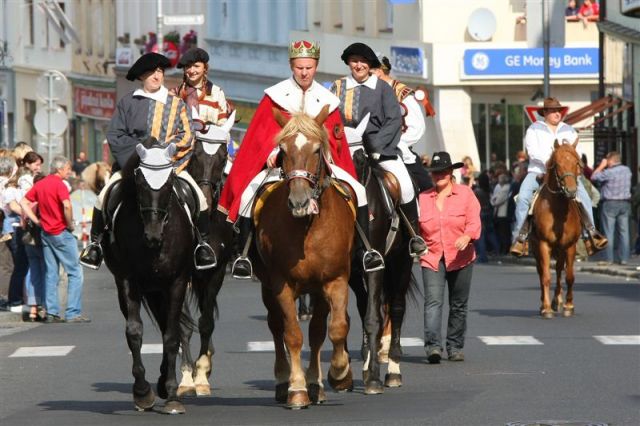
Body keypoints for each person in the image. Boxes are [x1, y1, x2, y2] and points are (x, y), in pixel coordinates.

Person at [218, 40, 381, 278]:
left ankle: (365, 250)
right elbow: (260, 139)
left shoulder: (327, 99)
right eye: (299, 67)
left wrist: (322, 155)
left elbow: (337, 143)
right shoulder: (275, 96)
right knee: (246, 196)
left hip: (319, 165)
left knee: (359, 189)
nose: (304, 72)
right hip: (281, 167)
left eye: (309, 67)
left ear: (315, 67)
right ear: (291, 66)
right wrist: (273, 154)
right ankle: (244, 256)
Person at [79, 52, 217, 271]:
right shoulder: (128, 102)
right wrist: (140, 155)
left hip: (168, 166)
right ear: (142, 76)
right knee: (104, 195)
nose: (157, 76)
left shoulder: (176, 104)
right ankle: (95, 245)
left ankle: (203, 245)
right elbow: (116, 135)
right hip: (135, 167)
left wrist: (164, 153)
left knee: (199, 198)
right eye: (152, 72)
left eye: (160, 72)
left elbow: (188, 134)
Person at [331, 42, 428, 258]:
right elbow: (329, 119)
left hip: (378, 150)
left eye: (363, 62)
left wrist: (376, 146)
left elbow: (393, 120)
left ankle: (414, 236)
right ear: (348, 63)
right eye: (354, 61)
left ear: (370, 65)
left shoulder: (383, 88)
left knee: (405, 185)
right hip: (344, 151)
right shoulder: (337, 87)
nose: (358, 65)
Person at [510, 97, 607, 256]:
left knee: (585, 198)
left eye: (559, 110)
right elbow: (533, 152)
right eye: (554, 111)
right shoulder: (534, 129)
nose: (557, 113)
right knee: (523, 198)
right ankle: (520, 240)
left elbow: (576, 152)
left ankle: (591, 235)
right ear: (545, 113)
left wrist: (570, 165)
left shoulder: (569, 129)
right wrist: (551, 164)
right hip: (538, 171)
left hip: (565, 174)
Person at [419, 151, 481, 363]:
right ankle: (433, 347)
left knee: (458, 304)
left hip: (461, 257)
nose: (439, 175)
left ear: (451, 172)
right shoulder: (423, 198)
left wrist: (467, 236)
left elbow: (474, 222)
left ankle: (454, 346)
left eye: (443, 171)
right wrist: (416, 246)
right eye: (435, 172)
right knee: (433, 302)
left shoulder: (465, 195)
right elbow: (415, 230)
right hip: (432, 257)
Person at [20, 156, 89, 323]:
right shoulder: (60, 185)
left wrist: (36, 221)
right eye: (67, 168)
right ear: (59, 169)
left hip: (45, 233)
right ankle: (72, 312)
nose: (69, 171)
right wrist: (70, 224)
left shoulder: (41, 184)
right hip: (60, 232)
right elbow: (67, 205)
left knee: (51, 273)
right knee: (75, 272)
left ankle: (51, 312)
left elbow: (23, 202)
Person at [371, 56, 432, 192]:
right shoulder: (368, 92)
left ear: (379, 71)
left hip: (398, 151)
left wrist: (393, 143)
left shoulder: (403, 94)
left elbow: (417, 128)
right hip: (370, 150)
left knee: (426, 190)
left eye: (370, 72)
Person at [171, 47, 231, 127]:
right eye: (188, 66)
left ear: (205, 68)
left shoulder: (217, 92)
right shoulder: (174, 93)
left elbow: (223, 124)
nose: (192, 71)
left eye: (196, 66)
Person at [591, 151, 632, 265]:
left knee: (609, 232)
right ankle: (624, 258)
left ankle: (609, 259)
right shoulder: (627, 170)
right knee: (624, 232)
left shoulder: (609, 172)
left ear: (611, 160)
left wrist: (601, 166)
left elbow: (593, 177)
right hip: (624, 203)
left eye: (607, 160)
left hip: (610, 203)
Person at [0, 156, 28, 313]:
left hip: (6, 225)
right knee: (11, 265)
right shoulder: (6, 186)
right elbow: (11, 206)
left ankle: (11, 298)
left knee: (10, 265)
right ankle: (9, 299)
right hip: (9, 226)